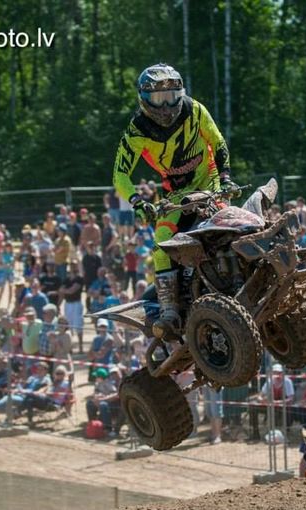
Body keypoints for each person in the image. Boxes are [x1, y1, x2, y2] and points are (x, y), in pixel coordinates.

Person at [112, 63, 238, 339]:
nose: (166, 105)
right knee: (161, 242)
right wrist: (138, 202)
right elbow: (120, 174)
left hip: (210, 182)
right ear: (144, 99)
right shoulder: (137, 130)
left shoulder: (195, 109)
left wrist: (226, 178)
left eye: (171, 96)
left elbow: (218, 142)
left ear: (180, 93)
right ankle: (169, 310)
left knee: (230, 223)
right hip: (176, 195)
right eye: (159, 98)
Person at [86, 367, 121, 437]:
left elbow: (114, 395)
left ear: (101, 377)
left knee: (103, 405)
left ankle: (108, 427)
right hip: (100, 400)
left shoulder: (109, 383)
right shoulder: (97, 383)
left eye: (97, 376)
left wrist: (103, 398)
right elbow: (96, 392)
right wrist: (96, 396)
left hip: (111, 403)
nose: (95, 378)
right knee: (89, 403)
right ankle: (92, 422)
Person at [59, 262, 84, 352]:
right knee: (68, 325)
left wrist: (65, 290)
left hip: (76, 304)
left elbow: (72, 290)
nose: (72, 267)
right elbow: (61, 290)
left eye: (74, 265)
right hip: (68, 304)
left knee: (78, 325)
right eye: (71, 265)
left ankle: (80, 347)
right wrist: (66, 291)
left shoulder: (79, 279)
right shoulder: (67, 279)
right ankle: (70, 347)